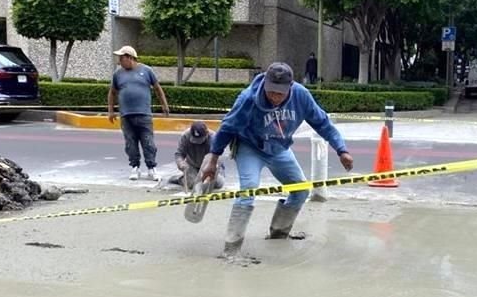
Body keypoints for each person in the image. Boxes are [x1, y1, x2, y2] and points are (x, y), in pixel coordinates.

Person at [200, 62, 353, 259]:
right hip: (249, 147)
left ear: (291, 86)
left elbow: (322, 123)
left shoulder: (301, 96)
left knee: (301, 190)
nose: (274, 97)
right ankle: (231, 248)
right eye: (271, 91)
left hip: (279, 148)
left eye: (280, 93)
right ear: (265, 83)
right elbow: (228, 127)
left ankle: (279, 233)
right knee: (249, 189)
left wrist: (341, 150)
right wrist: (213, 158)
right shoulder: (248, 98)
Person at [108, 45, 170, 181]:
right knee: (130, 142)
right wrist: (111, 111)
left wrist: (164, 105)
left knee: (148, 142)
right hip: (126, 115)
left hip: (144, 114)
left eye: (121, 58)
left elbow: (158, 89)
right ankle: (134, 167)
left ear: (130, 58)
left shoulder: (147, 71)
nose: (119, 61)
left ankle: (151, 168)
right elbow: (112, 93)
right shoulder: (118, 74)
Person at [170, 120, 225, 189]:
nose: (198, 143)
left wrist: (212, 168)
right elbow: (179, 154)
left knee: (218, 184)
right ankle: (181, 179)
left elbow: (218, 157)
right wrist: (181, 163)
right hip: (192, 164)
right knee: (193, 184)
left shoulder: (213, 138)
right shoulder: (185, 136)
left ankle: (196, 177)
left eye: (200, 139)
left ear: (206, 133)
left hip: (209, 164)